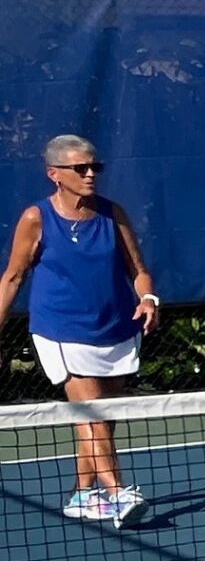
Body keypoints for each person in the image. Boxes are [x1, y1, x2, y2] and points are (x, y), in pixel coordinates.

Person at [0, 135, 160, 525]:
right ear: (54, 174)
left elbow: (137, 270)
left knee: (102, 418)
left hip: (118, 327)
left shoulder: (112, 214)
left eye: (95, 168)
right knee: (89, 413)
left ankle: (83, 494)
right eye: (80, 168)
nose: (91, 174)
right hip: (60, 329)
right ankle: (118, 494)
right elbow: (13, 277)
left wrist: (149, 300)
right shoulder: (35, 218)